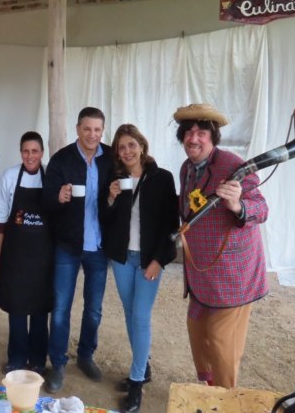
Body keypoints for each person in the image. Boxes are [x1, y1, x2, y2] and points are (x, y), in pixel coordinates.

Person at [173, 103, 269, 389]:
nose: (193, 138)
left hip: (232, 276)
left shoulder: (232, 166)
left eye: (201, 132)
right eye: (188, 132)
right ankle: (211, 390)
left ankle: (227, 401)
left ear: (213, 136)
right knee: (197, 331)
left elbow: (261, 208)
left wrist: (238, 204)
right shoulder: (186, 168)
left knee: (220, 339)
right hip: (202, 273)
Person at [102, 124, 179, 413]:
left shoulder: (161, 178)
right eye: (121, 148)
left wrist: (159, 260)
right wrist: (110, 198)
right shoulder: (116, 178)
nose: (127, 151)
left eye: (131, 145)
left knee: (141, 316)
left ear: (142, 146)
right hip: (122, 257)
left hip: (149, 259)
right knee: (130, 312)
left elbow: (172, 225)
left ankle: (136, 382)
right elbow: (105, 218)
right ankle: (142, 366)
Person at [42, 106, 114, 393]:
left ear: (102, 131)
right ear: (77, 129)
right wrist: (58, 196)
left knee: (94, 310)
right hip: (68, 246)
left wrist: (112, 197)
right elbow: (45, 202)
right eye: (87, 129)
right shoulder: (61, 159)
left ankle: (85, 355)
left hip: (98, 246)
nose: (92, 135)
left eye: (97, 130)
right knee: (60, 308)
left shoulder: (110, 158)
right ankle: (57, 362)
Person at [0, 131, 53, 374]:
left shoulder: (51, 177)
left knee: (40, 307)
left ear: (42, 153)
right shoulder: (10, 176)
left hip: (44, 255)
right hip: (16, 253)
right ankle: (17, 358)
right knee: (17, 307)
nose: (30, 156)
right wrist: (0, 248)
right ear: (21, 153)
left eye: (35, 151)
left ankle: (38, 359)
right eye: (26, 151)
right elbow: (0, 215)